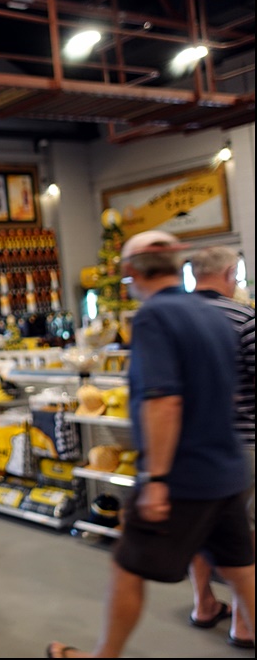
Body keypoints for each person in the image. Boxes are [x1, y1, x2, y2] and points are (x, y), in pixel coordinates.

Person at [48, 230, 255, 658]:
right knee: (242, 570)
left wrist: (157, 479)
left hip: (181, 475)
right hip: (227, 470)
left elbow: (163, 402)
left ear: (130, 272)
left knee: (127, 569)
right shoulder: (217, 316)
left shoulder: (154, 318)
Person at [185, 245, 255, 649]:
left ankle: (203, 603)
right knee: (246, 531)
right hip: (241, 443)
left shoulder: (172, 318)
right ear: (230, 274)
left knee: (201, 527)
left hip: (189, 448)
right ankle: (244, 623)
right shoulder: (245, 318)